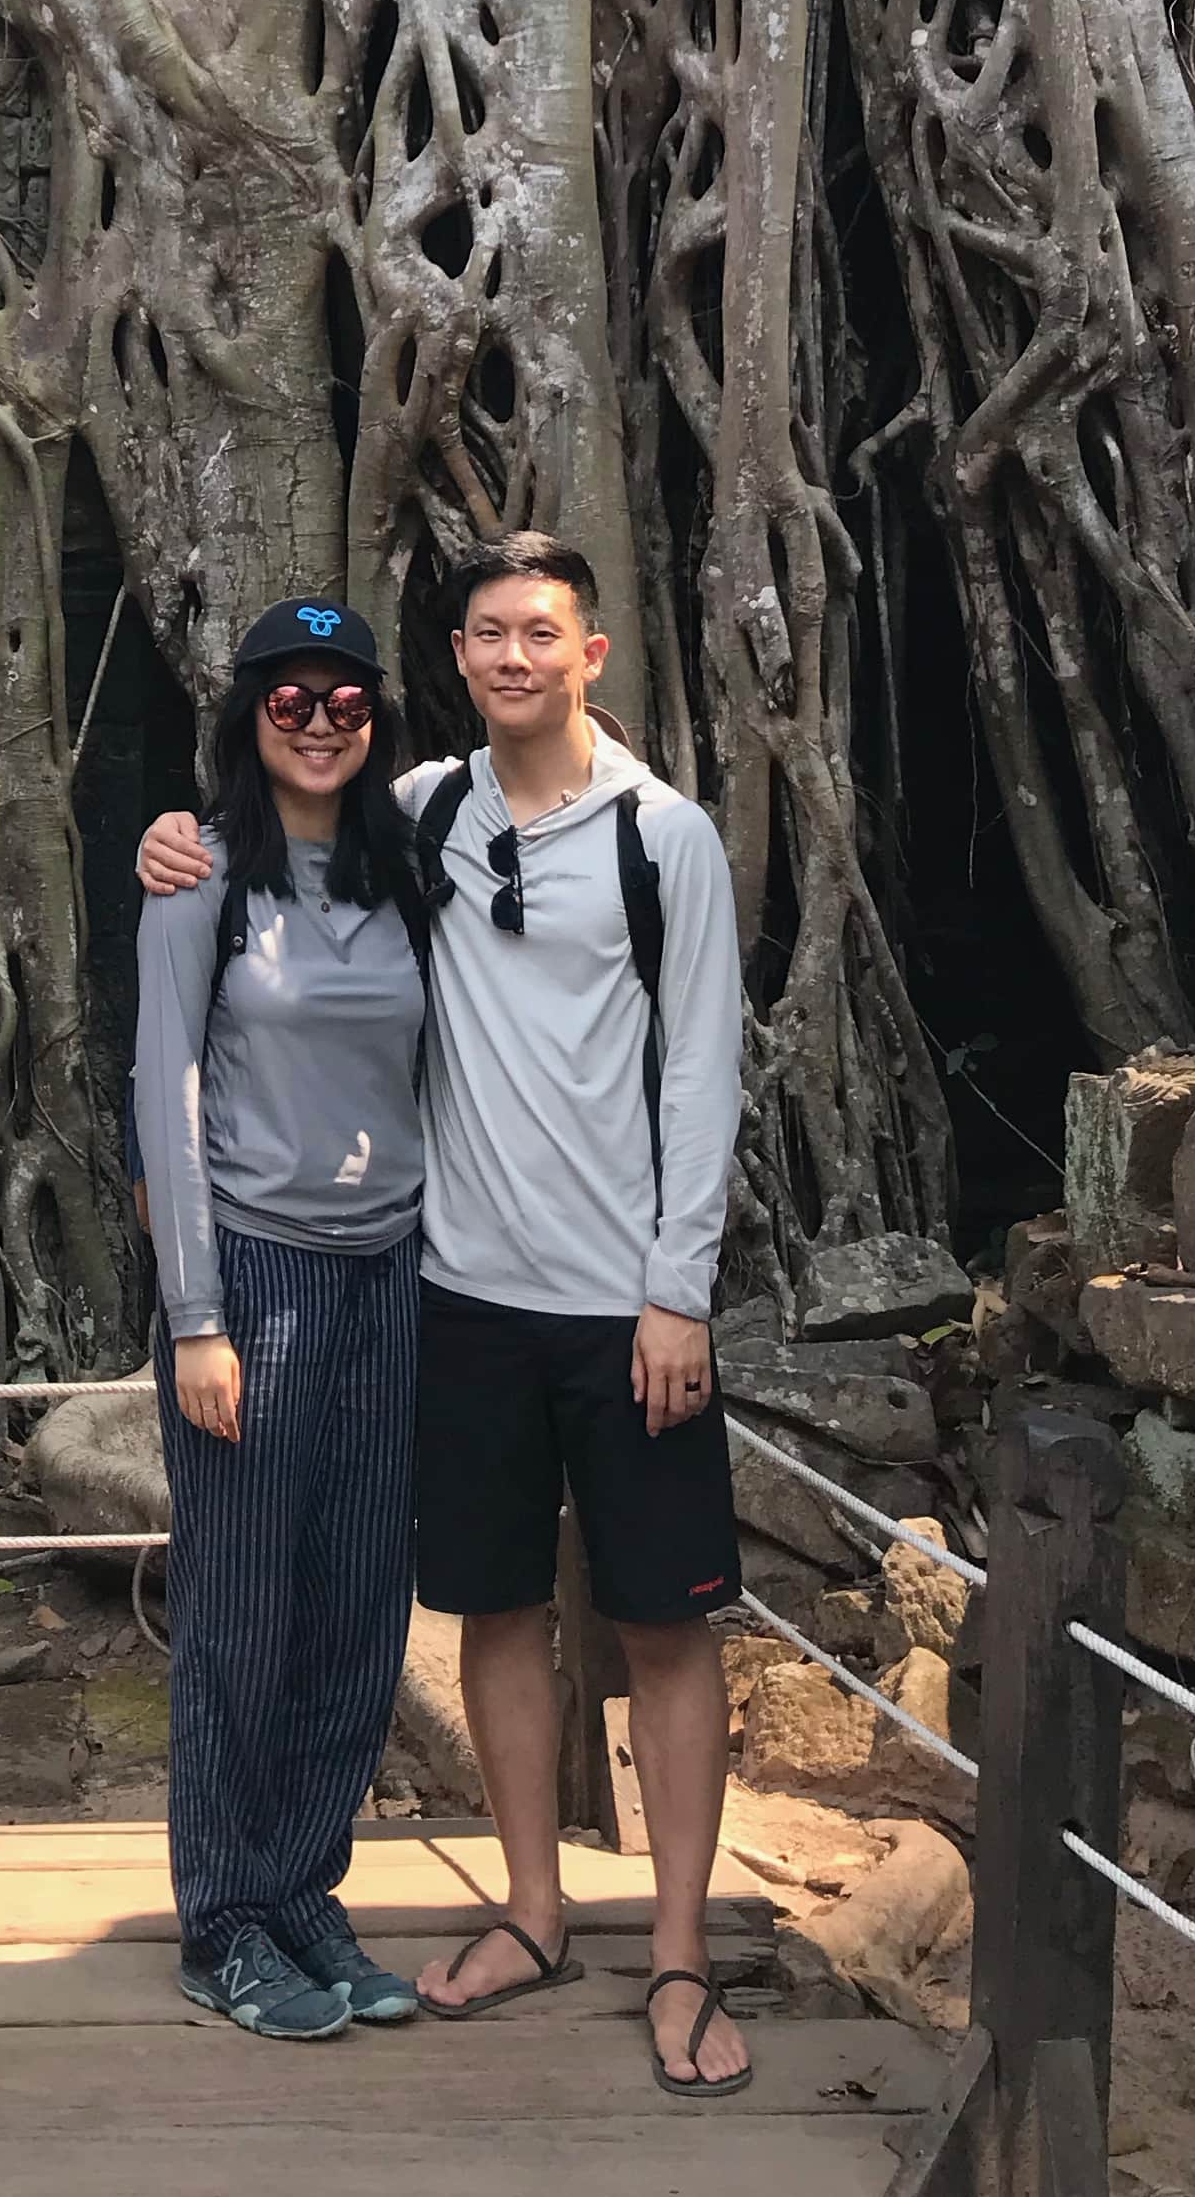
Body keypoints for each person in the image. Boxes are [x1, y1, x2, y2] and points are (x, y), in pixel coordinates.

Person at [137, 534, 754, 2099]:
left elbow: (700, 1069)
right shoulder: (392, 826)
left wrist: (682, 1285)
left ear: (589, 652)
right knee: (355, 1604)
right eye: (487, 635)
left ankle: (638, 1947)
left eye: (541, 632)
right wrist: (168, 841)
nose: (325, 716)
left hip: (579, 1299)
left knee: (507, 1611)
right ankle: (305, 1915)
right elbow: (170, 1067)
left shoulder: (635, 837)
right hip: (411, 1288)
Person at [135, 598, 433, 2043]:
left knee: (358, 1605)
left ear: (377, 721)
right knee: (241, 1613)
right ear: (246, 714)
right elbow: (164, 1092)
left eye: (346, 701)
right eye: (289, 699)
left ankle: (308, 1886)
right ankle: (225, 1917)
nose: (318, 722)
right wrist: (196, 1315)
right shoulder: (199, 879)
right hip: (255, 1275)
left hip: (394, 1277)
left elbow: (565, 765)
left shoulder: (409, 868)